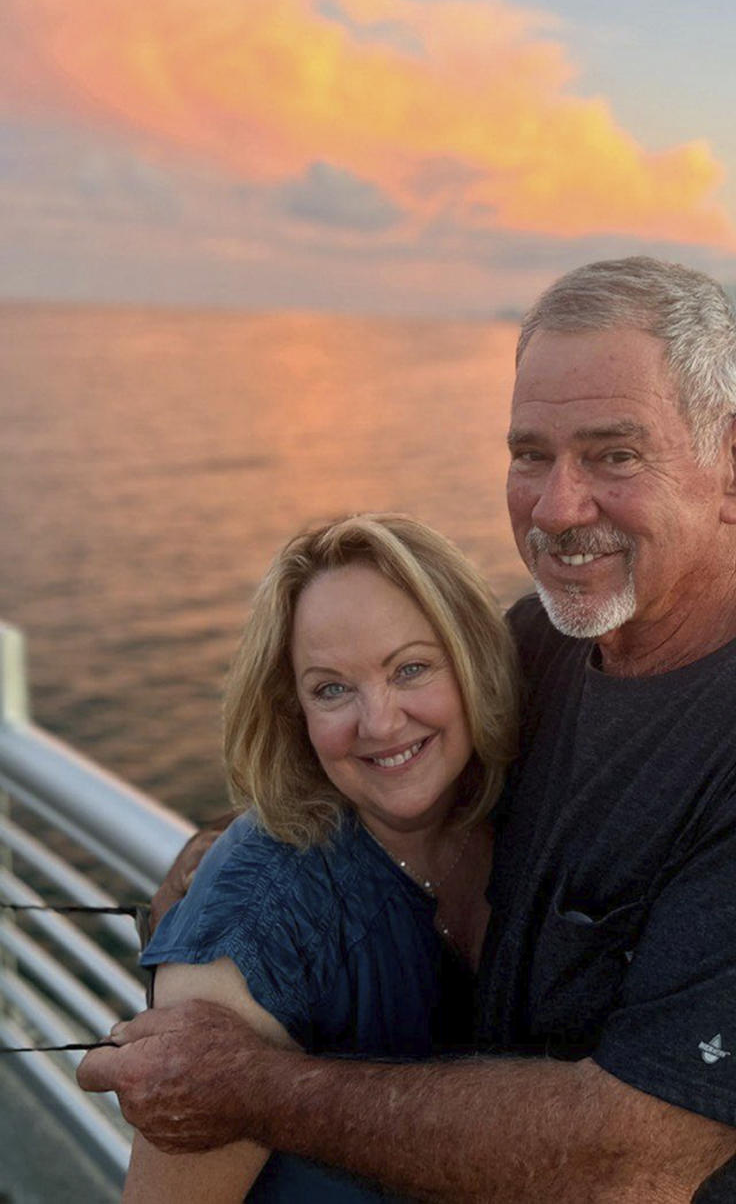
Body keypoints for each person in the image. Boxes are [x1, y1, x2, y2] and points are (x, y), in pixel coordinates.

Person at [81, 257, 736, 1202]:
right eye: (530, 452)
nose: (555, 507)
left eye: (614, 455)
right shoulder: (544, 640)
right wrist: (234, 856)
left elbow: (631, 1159)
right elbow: (416, 776)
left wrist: (248, 1087)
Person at [121, 513, 517, 1201]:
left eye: (412, 667)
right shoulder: (252, 933)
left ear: (473, 659)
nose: (381, 721)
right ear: (294, 712)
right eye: (332, 688)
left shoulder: (520, 808)